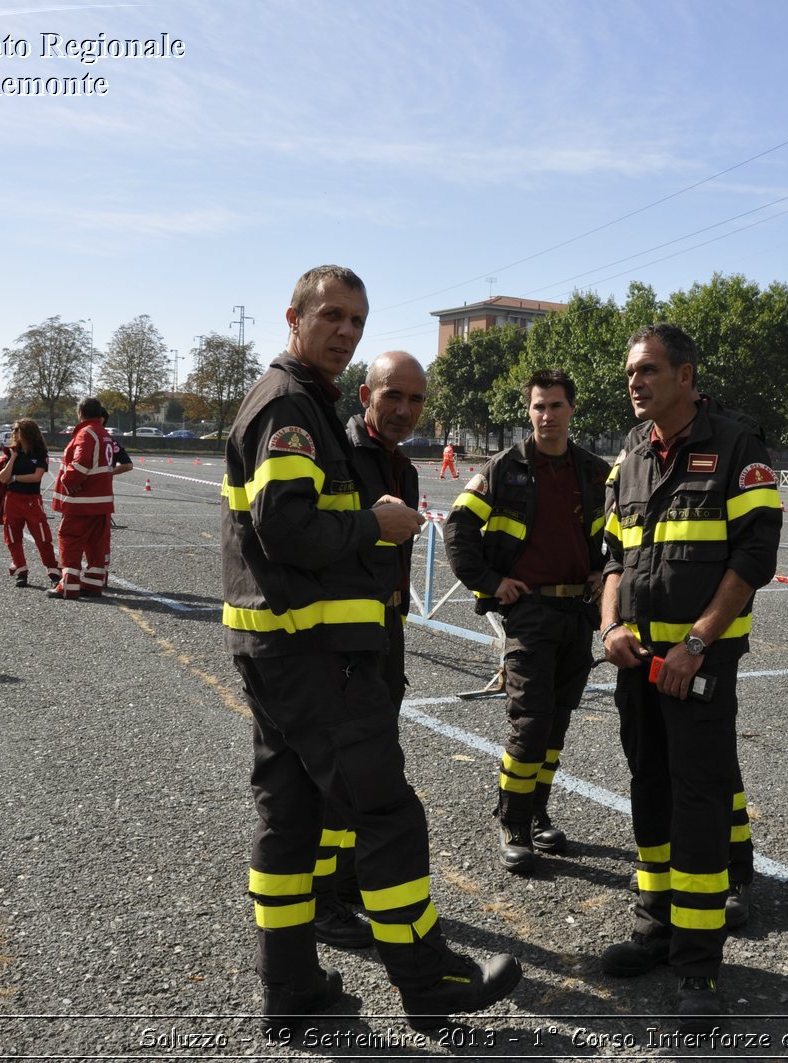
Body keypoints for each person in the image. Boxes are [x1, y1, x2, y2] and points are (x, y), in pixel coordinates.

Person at [221, 265, 521, 1036]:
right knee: (386, 815)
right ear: (294, 316)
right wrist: (372, 527)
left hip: (281, 652)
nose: (345, 331)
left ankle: (288, 988)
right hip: (311, 656)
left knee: (288, 822)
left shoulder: (303, 403)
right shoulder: (290, 405)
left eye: (356, 319)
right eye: (332, 316)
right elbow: (283, 529)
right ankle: (430, 984)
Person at [597, 323, 782, 1030]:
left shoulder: (738, 448)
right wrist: (611, 625)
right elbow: (612, 555)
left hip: (698, 668)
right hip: (638, 667)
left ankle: (699, 966)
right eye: (629, 373)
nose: (635, 382)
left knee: (699, 806)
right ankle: (657, 926)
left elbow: (753, 559)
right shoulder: (632, 455)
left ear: (685, 374)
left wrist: (698, 643)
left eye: (646, 370)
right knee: (649, 792)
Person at [443, 369, 609, 875]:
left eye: (556, 405)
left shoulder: (594, 470)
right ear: (529, 410)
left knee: (556, 723)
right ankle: (513, 822)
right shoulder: (502, 468)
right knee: (530, 721)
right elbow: (458, 528)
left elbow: (617, 532)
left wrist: (607, 571)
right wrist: (492, 582)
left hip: (577, 612)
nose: (546, 415)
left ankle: (537, 814)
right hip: (531, 613)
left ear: (571, 409)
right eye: (538, 406)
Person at [307, 350, 429, 951]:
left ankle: (349, 881)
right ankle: (320, 898)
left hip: (386, 635)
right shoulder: (337, 454)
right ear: (365, 396)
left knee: (373, 767)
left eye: (416, 400)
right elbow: (306, 537)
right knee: (337, 776)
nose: (404, 410)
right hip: (340, 641)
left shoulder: (402, 467)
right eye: (393, 396)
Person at [49, 398, 117, 599]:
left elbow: (80, 463)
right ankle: (92, 584)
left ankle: (68, 586)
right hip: (101, 501)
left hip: (81, 501)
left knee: (69, 539)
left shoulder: (86, 433)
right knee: (96, 543)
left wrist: (67, 479)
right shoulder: (104, 433)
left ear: (80, 412)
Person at [0, 419, 60, 588]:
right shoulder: (11, 452)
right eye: (12, 429)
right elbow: (2, 477)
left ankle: (53, 570)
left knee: (42, 537)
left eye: (16, 429)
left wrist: (15, 478)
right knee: (13, 537)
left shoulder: (39, 452)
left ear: (27, 432)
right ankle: (21, 571)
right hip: (12, 500)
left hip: (31, 500)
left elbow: (36, 477)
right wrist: (13, 457)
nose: (13, 433)